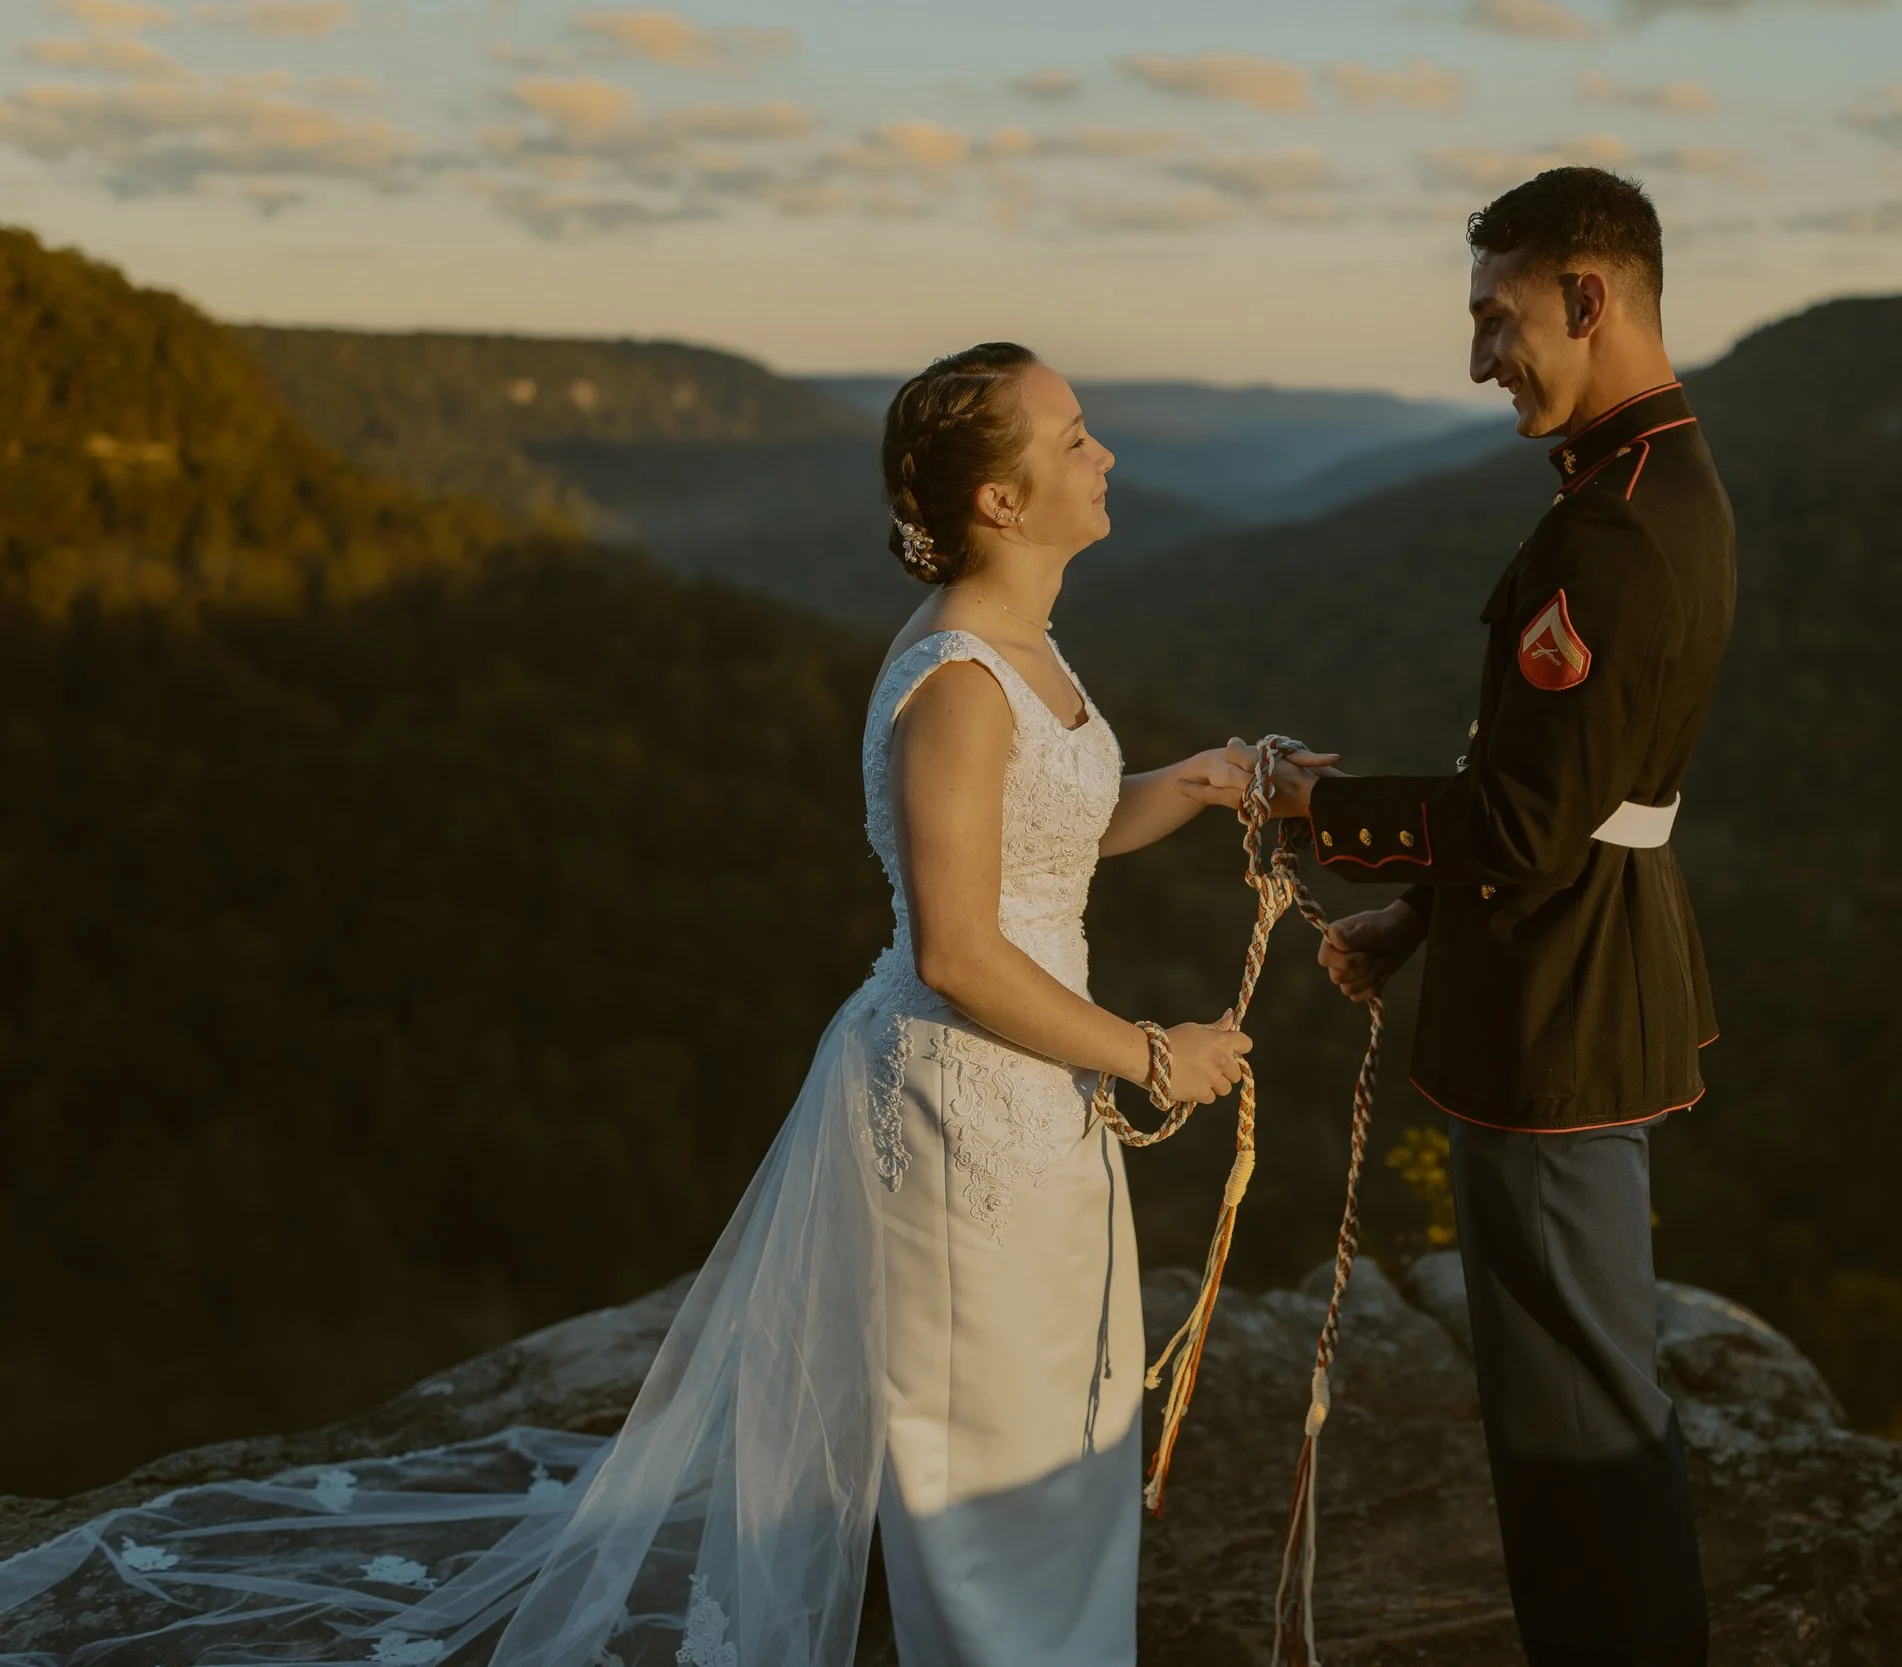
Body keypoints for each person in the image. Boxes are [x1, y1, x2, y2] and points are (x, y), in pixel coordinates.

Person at [0, 343, 1331, 1667]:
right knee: (984, 1457)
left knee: (1051, 1431)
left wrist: (1208, 778)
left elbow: (1052, 834)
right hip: (961, 1108)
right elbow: (960, 950)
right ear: (1000, 500)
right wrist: (1153, 1053)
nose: (1106, 455)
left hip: (1039, 1099)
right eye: (1077, 436)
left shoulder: (1027, 646)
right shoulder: (961, 689)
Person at [1267, 168, 1736, 1665]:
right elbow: (1563, 782)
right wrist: (1415, 920)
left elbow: (1531, 819)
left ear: (1588, 298)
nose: (1480, 362)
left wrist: (1304, 813)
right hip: (1574, 964)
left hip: (1559, 1017)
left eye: (1499, 318)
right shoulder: (1646, 484)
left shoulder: (1614, 535)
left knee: (1576, 1439)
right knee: (1570, 1414)